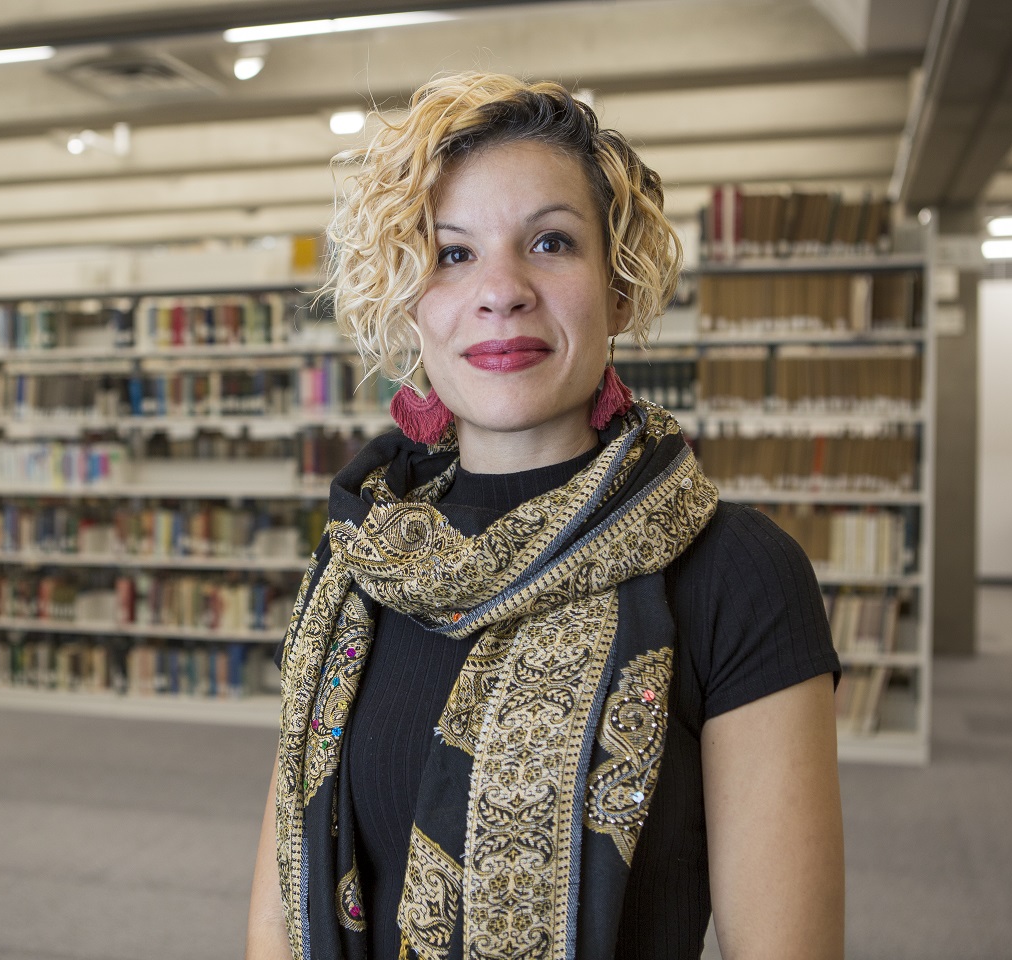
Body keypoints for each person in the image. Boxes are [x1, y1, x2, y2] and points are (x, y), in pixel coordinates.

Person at [247, 72, 844, 960]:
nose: (502, 290)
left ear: (619, 287)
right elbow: (276, 916)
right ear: (412, 300)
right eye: (453, 254)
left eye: (552, 242)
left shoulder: (738, 574)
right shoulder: (360, 561)